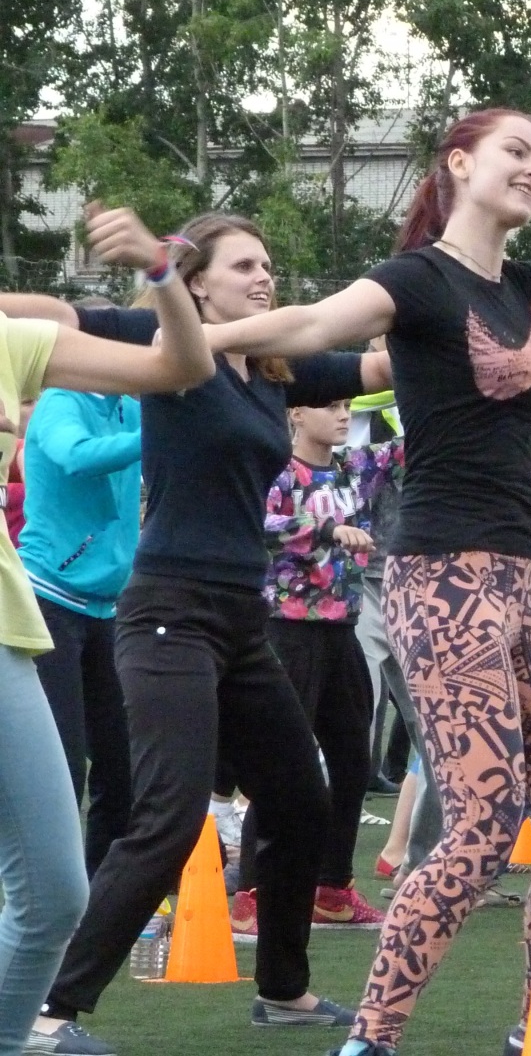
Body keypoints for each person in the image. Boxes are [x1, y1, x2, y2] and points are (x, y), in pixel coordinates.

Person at [204, 106, 531, 1056]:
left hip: (522, 579)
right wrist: (188, 338)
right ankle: (371, 1038)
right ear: (458, 164)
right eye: (516, 151)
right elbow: (313, 324)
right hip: (440, 578)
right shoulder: (414, 281)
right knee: (483, 823)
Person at [14, 210, 388, 1055]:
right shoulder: (163, 342)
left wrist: (460, 313)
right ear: (196, 282)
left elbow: (378, 363)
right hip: (167, 613)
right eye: (244, 265)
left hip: (240, 617)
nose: (264, 276)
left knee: (301, 796)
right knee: (170, 815)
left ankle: (283, 988)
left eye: (268, 264)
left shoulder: (276, 367)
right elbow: (59, 317)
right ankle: (47, 1008)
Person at [0, 204, 215, 1056]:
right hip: (54, 594)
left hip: (13, 628)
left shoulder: (15, 342)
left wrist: (162, 273)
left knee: (56, 893)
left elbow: (183, 364)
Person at [234, 398, 404, 936]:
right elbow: (257, 520)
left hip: (341, 630)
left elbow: (419, 442)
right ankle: (251, 895)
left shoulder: (357, 466)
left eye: (347, 406)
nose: (343, 415)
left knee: (353, 760)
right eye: (329, 406)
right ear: (295, 415)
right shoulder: (277, 469)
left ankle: (331, 890)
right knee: (281, 762)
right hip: (287, 629)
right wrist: (327, 529)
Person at [18, 366, 141, 875]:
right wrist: (160, 430)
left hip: (108, 609)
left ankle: (98, 897)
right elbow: (76, 455)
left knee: (123, 766)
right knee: (62, 769)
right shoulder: (60, 402)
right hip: (48, 602)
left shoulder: (129, 407)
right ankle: (46, 895)